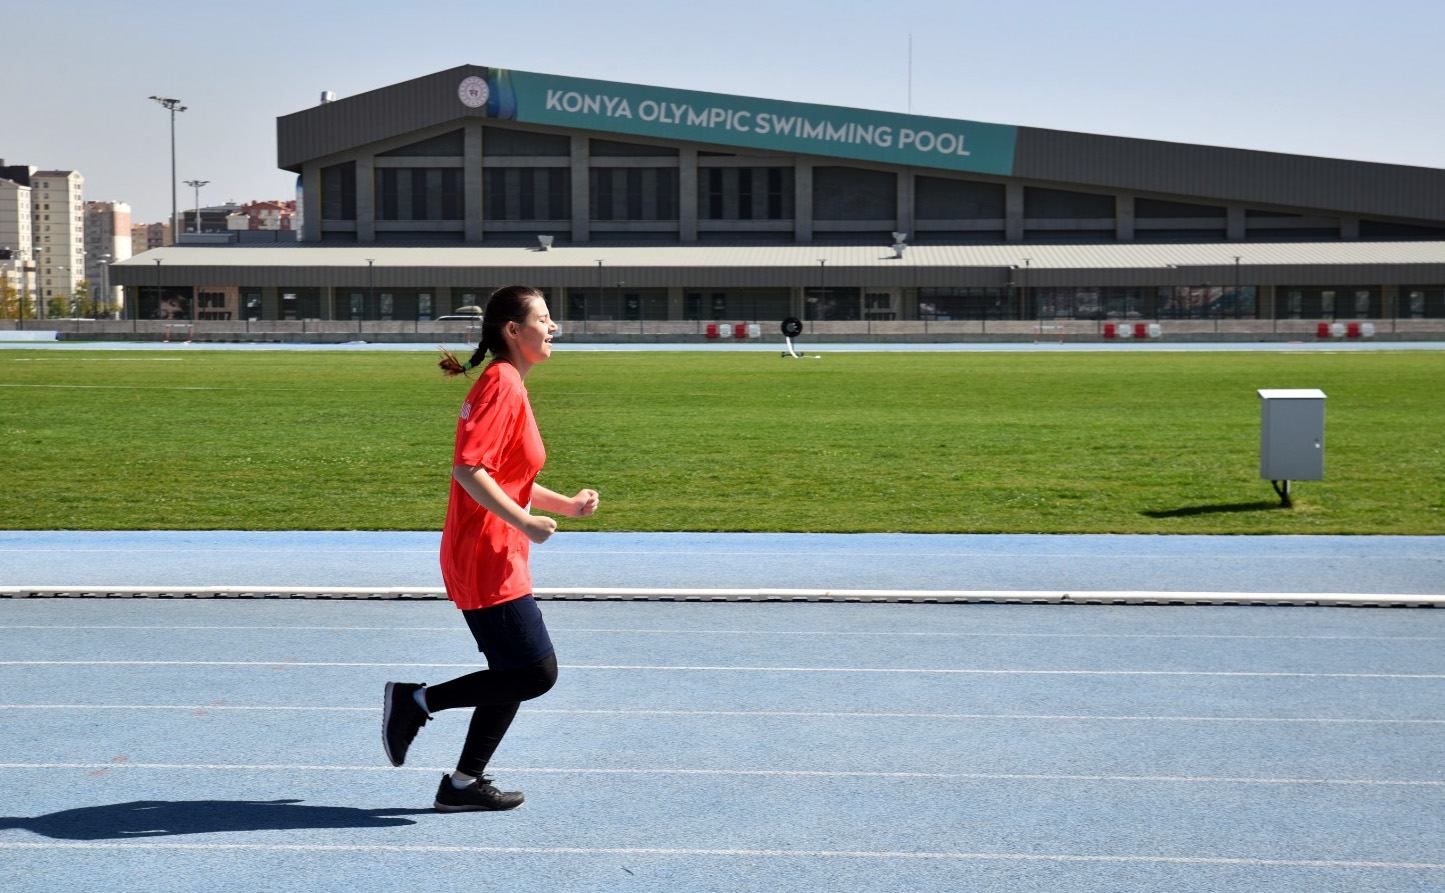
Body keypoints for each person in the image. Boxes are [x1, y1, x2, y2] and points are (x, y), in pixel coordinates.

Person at [383, 285, 599, 812]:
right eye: (544, 318)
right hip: (485, 554)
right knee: (536, 673)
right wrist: (524, 521)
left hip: (494, 551)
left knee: (513, 674)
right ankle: (415, 702)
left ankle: (461, 785)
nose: (553, 328)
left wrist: (565, 506)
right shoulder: (502, 384)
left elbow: (507, 476)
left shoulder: (508, 384)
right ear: (512, 331)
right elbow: (468, 469)